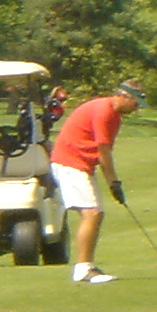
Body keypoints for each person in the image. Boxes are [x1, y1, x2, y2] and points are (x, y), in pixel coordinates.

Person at [49, 82, 143, 283]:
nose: (137, 107)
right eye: (136, 102)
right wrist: (113, 182)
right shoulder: (103, 111)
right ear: (124, 96)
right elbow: (103, 151)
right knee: (92, 213)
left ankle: (86, 266)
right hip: (70, 162)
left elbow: (103, 151)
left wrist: (112, 183)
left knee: (95, 213)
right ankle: (83, 270)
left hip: (80, 165)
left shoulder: (115, 117)